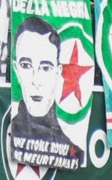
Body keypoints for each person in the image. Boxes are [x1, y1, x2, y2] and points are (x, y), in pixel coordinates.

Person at [8, 16, 84, 169]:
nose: (36, 81)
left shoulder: (72, 151)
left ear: (58, 72)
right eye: (26, 65)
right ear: (16, 69)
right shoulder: (3, 135)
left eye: (45, 67)